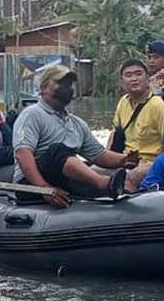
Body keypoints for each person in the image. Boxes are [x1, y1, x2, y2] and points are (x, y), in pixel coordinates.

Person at [13, 64, 138, 207]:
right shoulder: (32, 115)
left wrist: (123, 159)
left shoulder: (76, 123)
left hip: (65, 182)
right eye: (60, 83)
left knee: (126, 185)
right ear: (43, 87)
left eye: (69, 84)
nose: (67, 87)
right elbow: (22, 154)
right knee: (58, 150)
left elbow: (99, 155)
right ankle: (103, 183)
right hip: (31, 185)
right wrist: (43, 188)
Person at [108, 59, 164, 159]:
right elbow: (114, 132)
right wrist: (108, 157)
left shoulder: (158, 105)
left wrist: (158, 166)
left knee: (134, 174)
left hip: (149, 162)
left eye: (138, 74)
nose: (134, 79)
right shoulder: (123, 102)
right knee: (91, 170)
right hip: (125, 159)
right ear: (122, 82)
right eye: (128, 75)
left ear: (148, 78)